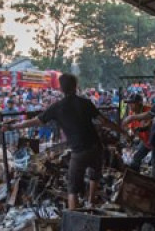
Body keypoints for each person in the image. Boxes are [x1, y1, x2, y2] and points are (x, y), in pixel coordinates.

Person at [9, 74, 130, 210]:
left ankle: (74, 218)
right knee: (94, 175)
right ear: (75, 86)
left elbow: (36, 121)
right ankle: (91, 202)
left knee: (72, 189)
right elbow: (104, 121)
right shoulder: (85, 103)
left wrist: (13, 126)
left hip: (79, 152)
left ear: (61, 89)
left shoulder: (57, 107)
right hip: (96, 147)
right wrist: (122, 131)